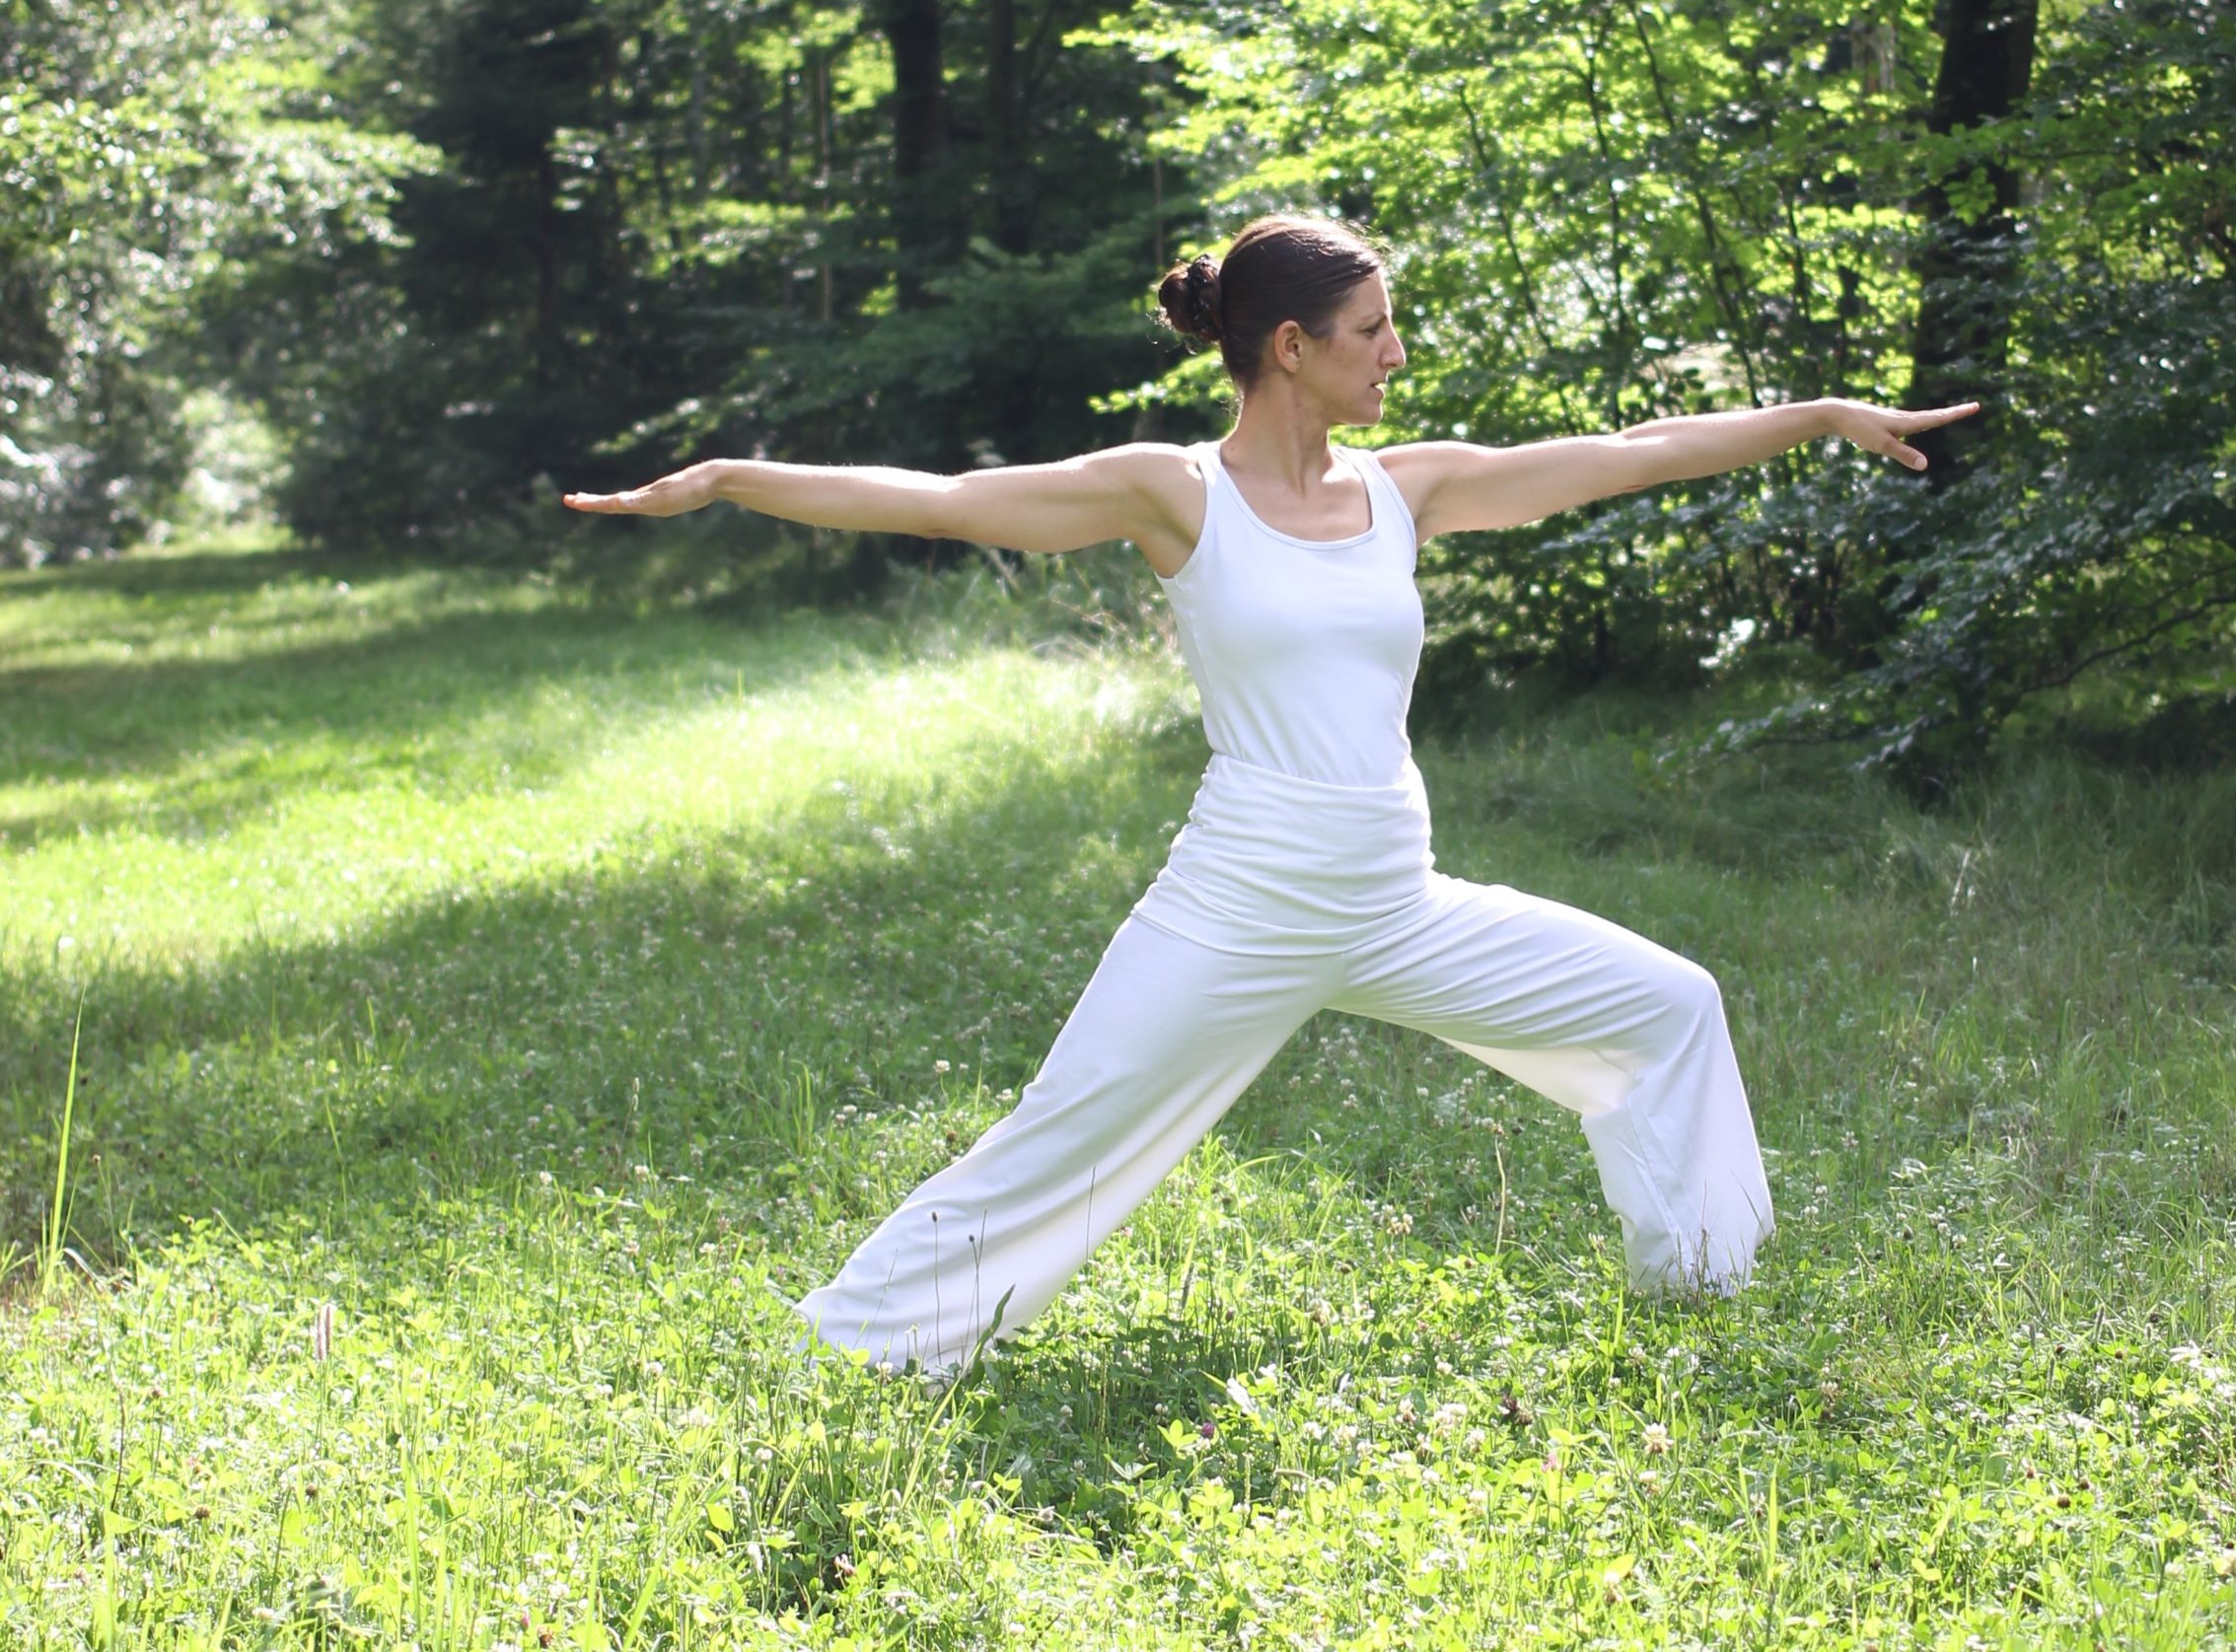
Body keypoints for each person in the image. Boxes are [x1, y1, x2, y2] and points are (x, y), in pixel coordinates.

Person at [565, 213, 1976, 1374]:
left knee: (1669, 1004)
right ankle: (844, 1354)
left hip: (1394, 901)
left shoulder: (1405, 491)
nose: (1396, 352)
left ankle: (1705, 1303)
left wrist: (1821, 415)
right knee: (1060, 1139)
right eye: (1371, 332)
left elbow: (1632, 454)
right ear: (1288, 349)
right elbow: (940, 500)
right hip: (1238, 904)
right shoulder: (1176, 493)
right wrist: (734, 480)